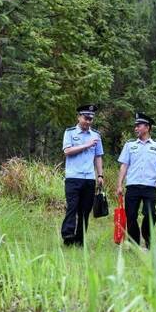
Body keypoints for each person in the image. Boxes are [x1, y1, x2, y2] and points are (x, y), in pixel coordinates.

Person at [116, 112, 156, 248]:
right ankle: (134, 244)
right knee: (131, 216)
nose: (136, 128)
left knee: (151, 214)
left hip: (150, 186)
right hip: (132, 186)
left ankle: (148, 239)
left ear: (147, 127)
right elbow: (124, 165)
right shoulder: (129, 145)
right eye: (136, 126)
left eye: (139, 125)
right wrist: (119, 185)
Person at [60, 104, 104, 246]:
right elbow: (67, 151)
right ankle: (68, 236)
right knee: (72, 207)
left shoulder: (96, 135)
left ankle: (80, 240)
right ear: (79, 117)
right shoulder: (70, 133)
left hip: (89, 179)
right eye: (86, 118)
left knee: (85, 211)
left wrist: (100, 175)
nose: (88, 122)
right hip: (73, 177)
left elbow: (98, 156)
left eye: (91, 119)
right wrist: (86, 145)